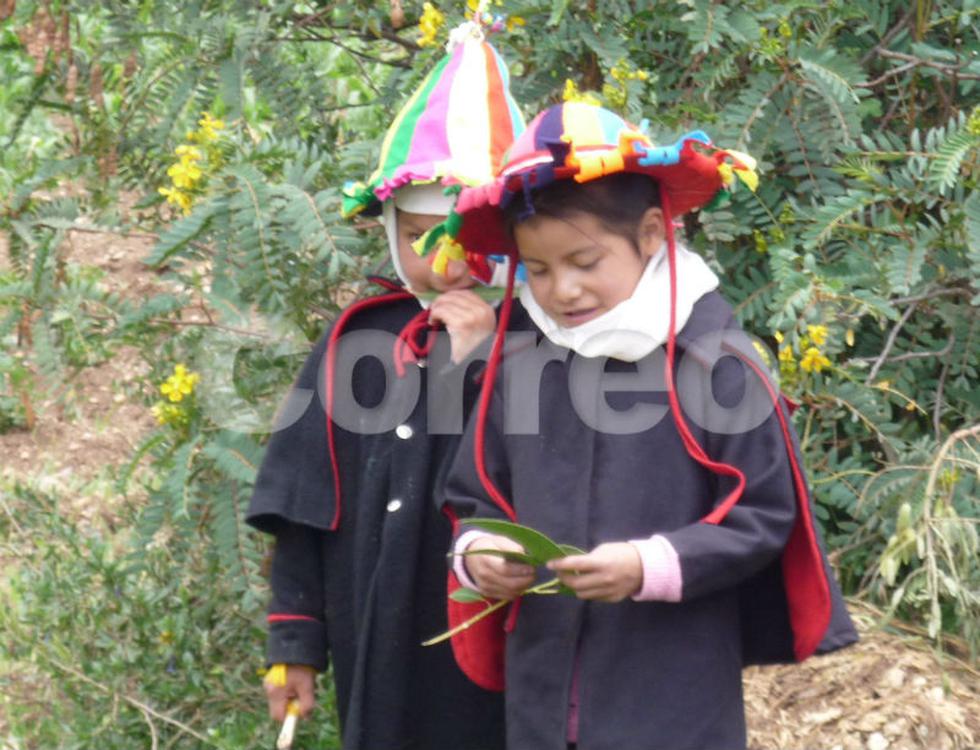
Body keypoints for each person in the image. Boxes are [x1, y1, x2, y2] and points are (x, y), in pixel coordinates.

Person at [437, 101, 858, 750]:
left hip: (673, 697)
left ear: (653, 233)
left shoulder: (715, 361)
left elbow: (764, 512)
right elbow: (472, 494)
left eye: (584, 261)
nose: (562, 291)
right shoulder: (518, 359)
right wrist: (479, 555)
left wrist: (649, 565)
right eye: (540, 270)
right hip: (541, 697)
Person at [245, 23, 524, 750]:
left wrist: (472, 364)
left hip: (511, 648)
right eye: (420, 235)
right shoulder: (355, 344)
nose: (446, 263)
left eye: (469, 236)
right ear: (392, 229)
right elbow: (306, 510)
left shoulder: (552, 340)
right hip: (379, 631)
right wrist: (295, 641)